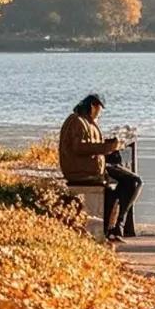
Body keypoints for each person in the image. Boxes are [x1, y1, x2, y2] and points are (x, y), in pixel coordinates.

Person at [58, 94, 142, 242]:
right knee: (133, 182)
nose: (100, 114)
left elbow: (93, 145)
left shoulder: (87, 122)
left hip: (91, 167)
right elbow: (79, 147)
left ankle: (113, 228)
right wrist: (107, 147)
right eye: (99, 109)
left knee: (122, 186)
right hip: (81, 170)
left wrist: (112, 145)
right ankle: (117, 227)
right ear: (92, 106)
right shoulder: (77, 122)